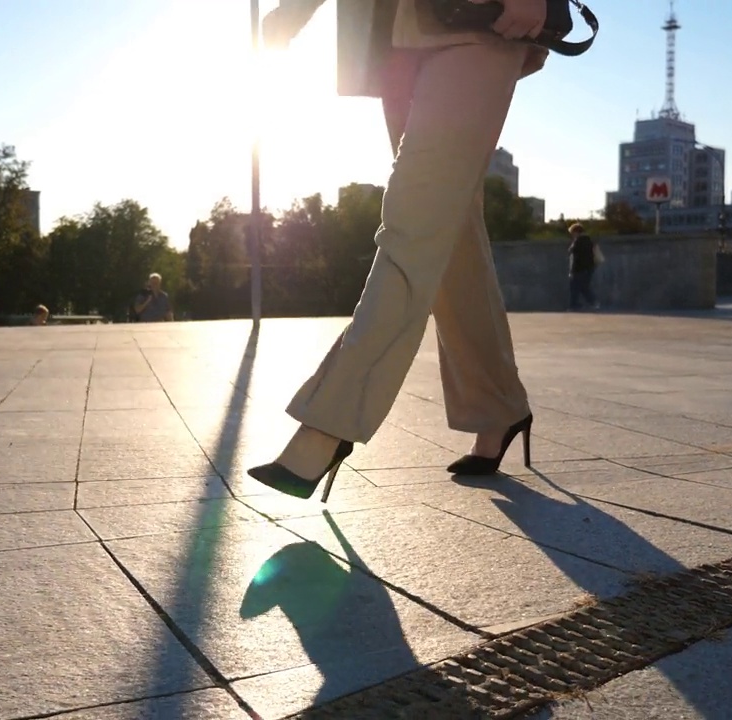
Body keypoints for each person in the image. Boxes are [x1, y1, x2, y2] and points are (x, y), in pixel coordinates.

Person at [247, 0, 549, 501]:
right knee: (449, 235)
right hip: (392, 38)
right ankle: (500, 407)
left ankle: (328, 425)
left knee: (412, 226)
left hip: (479, 20)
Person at [567, 223, 600, 311]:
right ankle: (592, 303)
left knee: (575, 287)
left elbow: (575, 256)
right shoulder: (589, 240)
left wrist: (572, 271)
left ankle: (574, 305)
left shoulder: (578, 242)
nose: (572, 235)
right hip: (589, 268)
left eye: (573, 233)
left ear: (576, 232)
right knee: (583, 287)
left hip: (579, 269)